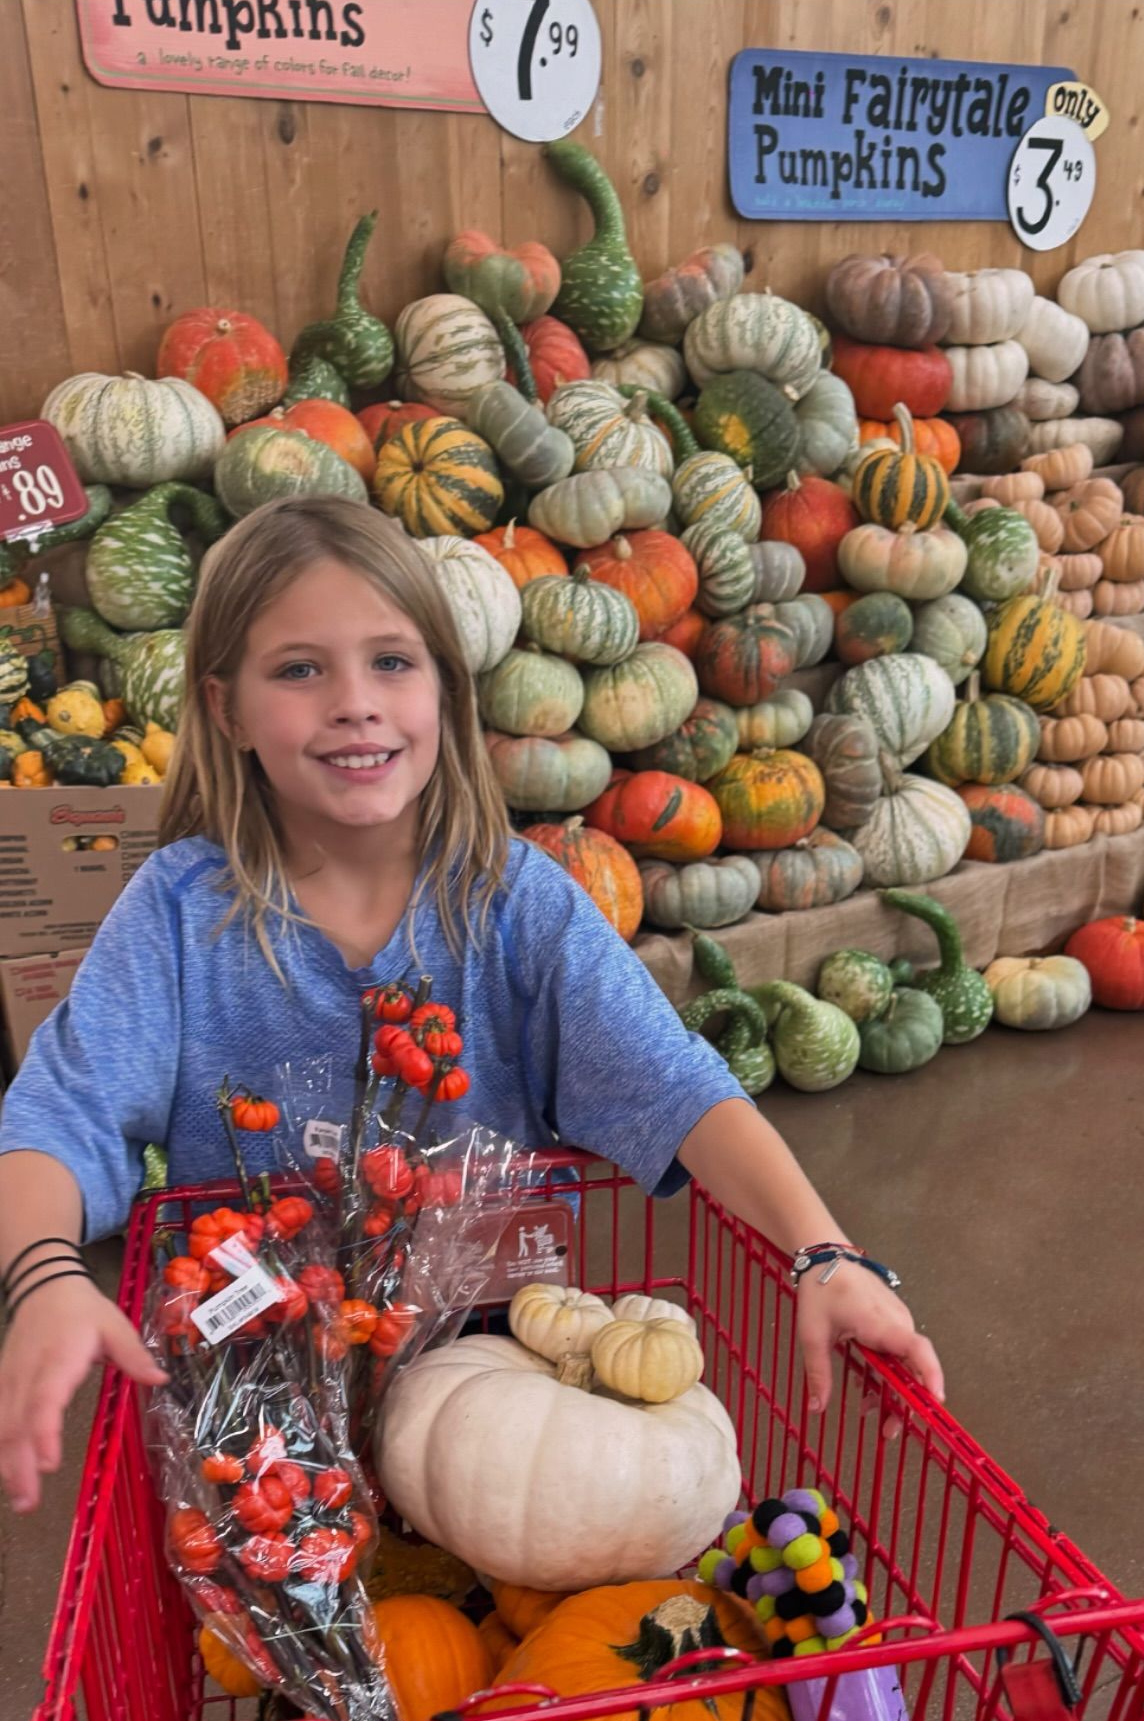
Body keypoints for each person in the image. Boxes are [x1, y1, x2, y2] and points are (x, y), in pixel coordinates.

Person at [0, 497, 943, 1513]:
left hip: (498, 1396)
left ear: (448, 690)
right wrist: (44, 1274)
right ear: (225, 708)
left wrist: (826, 1251)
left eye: (393, 662)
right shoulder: (181, 919)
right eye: (299, 669)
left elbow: (676, 1088)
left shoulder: (513, 904)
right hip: (260, 1417)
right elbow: (62, 1116)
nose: (355, 703)